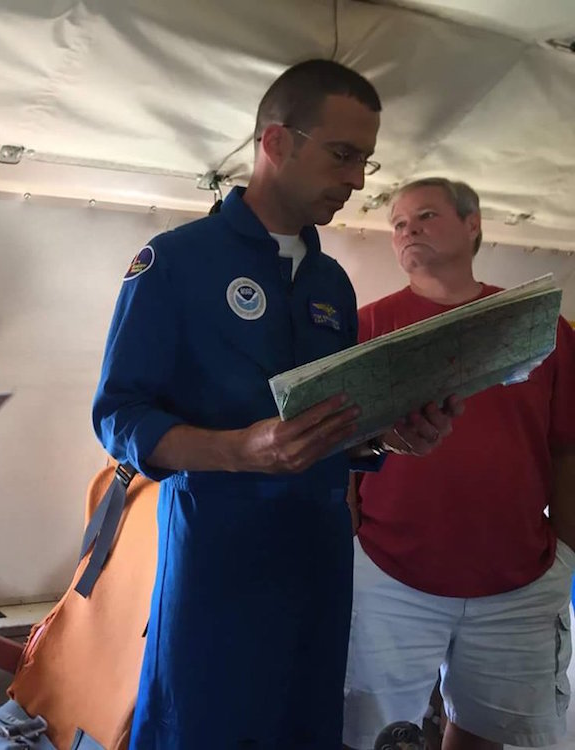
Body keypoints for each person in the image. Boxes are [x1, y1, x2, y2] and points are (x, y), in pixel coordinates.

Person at [92, 60, 460, 749]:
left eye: (365, 162)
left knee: (307, 727)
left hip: (320, 557)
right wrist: (239, 449)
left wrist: (389, 435)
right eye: (344, 155)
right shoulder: (174, 262)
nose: (357, 180)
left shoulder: (332, 283)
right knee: (202, 727)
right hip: (218, 558)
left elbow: (334, 423)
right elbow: (118, 416)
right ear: (275, 142)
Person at [343, 178, 575, 750]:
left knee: (491, 735)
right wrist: (348, 537)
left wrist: (565, 554)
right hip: (389, 569)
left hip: (518, 579)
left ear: (474, 225)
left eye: (425, 215)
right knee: (372, 735)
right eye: (398, 223)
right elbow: (343, 449)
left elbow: (567, 447)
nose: (407, 230)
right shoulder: (366, 328)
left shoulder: (540, 327)